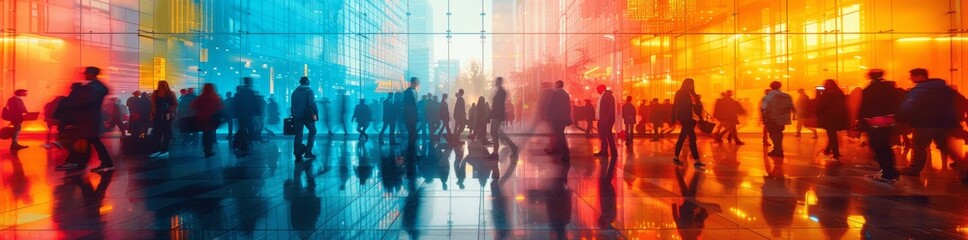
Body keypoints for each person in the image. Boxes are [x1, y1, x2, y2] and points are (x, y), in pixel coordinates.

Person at [898, 69, 965, 179]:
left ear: (920, 76)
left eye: (912, 76)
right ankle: (964, 168)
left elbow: (908, 106)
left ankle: (913, 169)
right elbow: (954, 105)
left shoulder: (919, 89)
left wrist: (902, 117)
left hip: (923, 123)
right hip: (943, 123)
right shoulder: (945, 89)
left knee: (919, 146)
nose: (911, 78)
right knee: (945, 147)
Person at [65, 67, 114, 172]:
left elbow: (84, 102)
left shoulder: (93, 87)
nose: (84, 74)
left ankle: (103, 162)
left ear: (91, 73)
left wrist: (77, 92)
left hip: (89, 119)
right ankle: (82, 163)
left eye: (86, 73)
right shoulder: (98, 86)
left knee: (93, 141)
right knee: (91, 140)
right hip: (92, 118)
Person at [858, 69, 901, 183]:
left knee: (879, 147)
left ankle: (887, 174)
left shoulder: (869, 90)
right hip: (889, 120)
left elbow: (865, 107)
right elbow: (896, 103)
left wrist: (861, 122)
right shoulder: (889, 87)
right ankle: (891, 171)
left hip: (874, 121)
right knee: (886, 146)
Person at [671, 78, 705, 169]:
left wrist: (700, 117)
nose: (692, 85)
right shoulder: (680, 93)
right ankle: (697, 161)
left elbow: (698, 106)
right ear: (686, 84)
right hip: (685, 117)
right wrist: (673, 119)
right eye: (690, 83)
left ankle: (676, 157)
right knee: (692, 138)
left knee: (683, 137)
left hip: (693, 118)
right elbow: (675, 105)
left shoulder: (694, 94)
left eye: (693, 84)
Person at [816, 80, 849, 161]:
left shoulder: (826, 93)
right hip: (839, 116)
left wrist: (818, 114)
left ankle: (836, 155)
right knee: (832, 135)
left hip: (829, 117)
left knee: (831, 135)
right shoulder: (839, 92)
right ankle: (827, 151)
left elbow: (821, 105)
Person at [761, 81, 794, 157]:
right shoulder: (786, 96)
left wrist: (765, 118)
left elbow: (765, 108)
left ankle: (777, 150)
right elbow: (790, 107)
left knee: (773, 134)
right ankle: (778, 149)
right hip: (782, 119)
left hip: (771, 119)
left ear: (771, 86)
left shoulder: (768, 97)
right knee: (779, 134)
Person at [191, 84, 223, 158]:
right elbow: (220, 107)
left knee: (205, 134)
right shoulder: (216, 97)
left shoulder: (201, 97)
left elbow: (193, 106)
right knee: (209, 133)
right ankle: (209, 149)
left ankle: (206, 149)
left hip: (202, 118)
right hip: (212, 118)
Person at [489, 77, 518, 159]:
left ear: (500, 82)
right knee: (500, 134)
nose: (496, 83)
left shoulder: (501, 92)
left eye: (497, 81)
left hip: (497, 116)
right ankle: (513, 147)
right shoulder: (499, 91)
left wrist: (494, 115)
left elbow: (499, 106)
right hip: (497, 115)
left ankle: (495, 153)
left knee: (494, 133)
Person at [291, 77, 318, 162]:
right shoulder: (309, 91)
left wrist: (294, 114)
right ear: (307, 82)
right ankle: (308, 151)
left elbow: (293, 105)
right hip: (307, 116)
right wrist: (316, 113)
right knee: (313, 130)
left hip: (297, 116)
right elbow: (312, 103)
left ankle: (297, 153)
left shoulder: (294, 92)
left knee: (298, 134)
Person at [148, 81, 178, 158]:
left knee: (158, 133)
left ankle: (158, 150)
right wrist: (170, 110)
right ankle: (164, 150)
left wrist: (152, 114)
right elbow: (175, 104)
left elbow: (152, 104)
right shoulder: (170, 93)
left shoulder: (156, 93)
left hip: (158, 116)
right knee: (166, 133)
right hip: (166, 116)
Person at [546, 80, 573, 162]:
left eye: (555, 84)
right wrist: (567, 117)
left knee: (559, 135)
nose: (554, 85)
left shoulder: (554, 93)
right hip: (563, 118)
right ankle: (561, 151)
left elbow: (550, 105)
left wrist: (548, 115)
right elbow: (568, 107)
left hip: (556, 118)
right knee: (560, 134)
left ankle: (565, 153)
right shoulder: (566, 94)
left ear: (558, 85)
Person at [233, 78, 258, 156]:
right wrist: (256, 114)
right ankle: (240, 144)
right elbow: (253, 104)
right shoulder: (249, 92)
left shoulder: (240, 92)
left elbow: (236, 104)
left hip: (241, 114)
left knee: (243, 129)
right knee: (244, 129)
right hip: (247, 114)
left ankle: (241, 145)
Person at [594, 85, 617, 157]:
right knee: (603, 136)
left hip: (606, 120)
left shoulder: (609, 96)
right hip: (601, 119)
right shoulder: (602, 96)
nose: (597, 91)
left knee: (608, 135)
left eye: (597, 89)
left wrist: (607, 120)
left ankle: (613, 152)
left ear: (601, 89)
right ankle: (604, 151)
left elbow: (611, 109)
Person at [403, 77, 420, 145]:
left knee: (412, 129)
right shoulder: (408, 92)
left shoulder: (412, 91)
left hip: (412, 114)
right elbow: (407, 104)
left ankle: (411, 143)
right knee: (411, 129)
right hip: (410, 114)